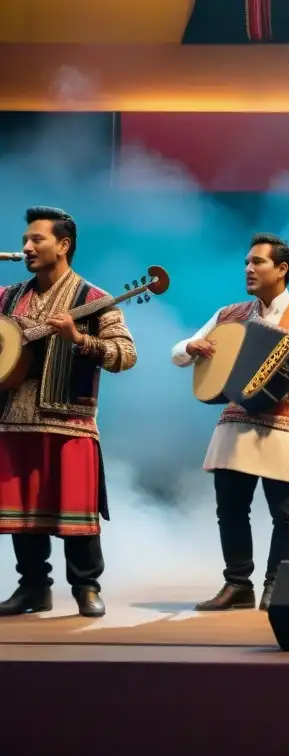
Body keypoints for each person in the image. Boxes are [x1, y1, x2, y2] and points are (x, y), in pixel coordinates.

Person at [172, 234, 289, 611]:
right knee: (231, 510)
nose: (249, 269)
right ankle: (238, 584)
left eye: (258, 262)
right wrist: (191, 347)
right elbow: (178, 353)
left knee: (285, 514)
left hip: (285, 427)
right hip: (235, 425)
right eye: (247, 263)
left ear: (282, 269)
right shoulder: (229, 314)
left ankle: (277, 585)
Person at [0, 206, 138, 618]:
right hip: (12, 417)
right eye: (25, 240)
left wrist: (79, 338)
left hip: (69, 421)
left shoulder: (94, 300)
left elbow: (125, 355)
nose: (26, 247)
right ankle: (33, 588)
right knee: (22, 513)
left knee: (75, 512)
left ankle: (86, 588)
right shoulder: (7, 296)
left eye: (36, 239)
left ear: (63, 245)